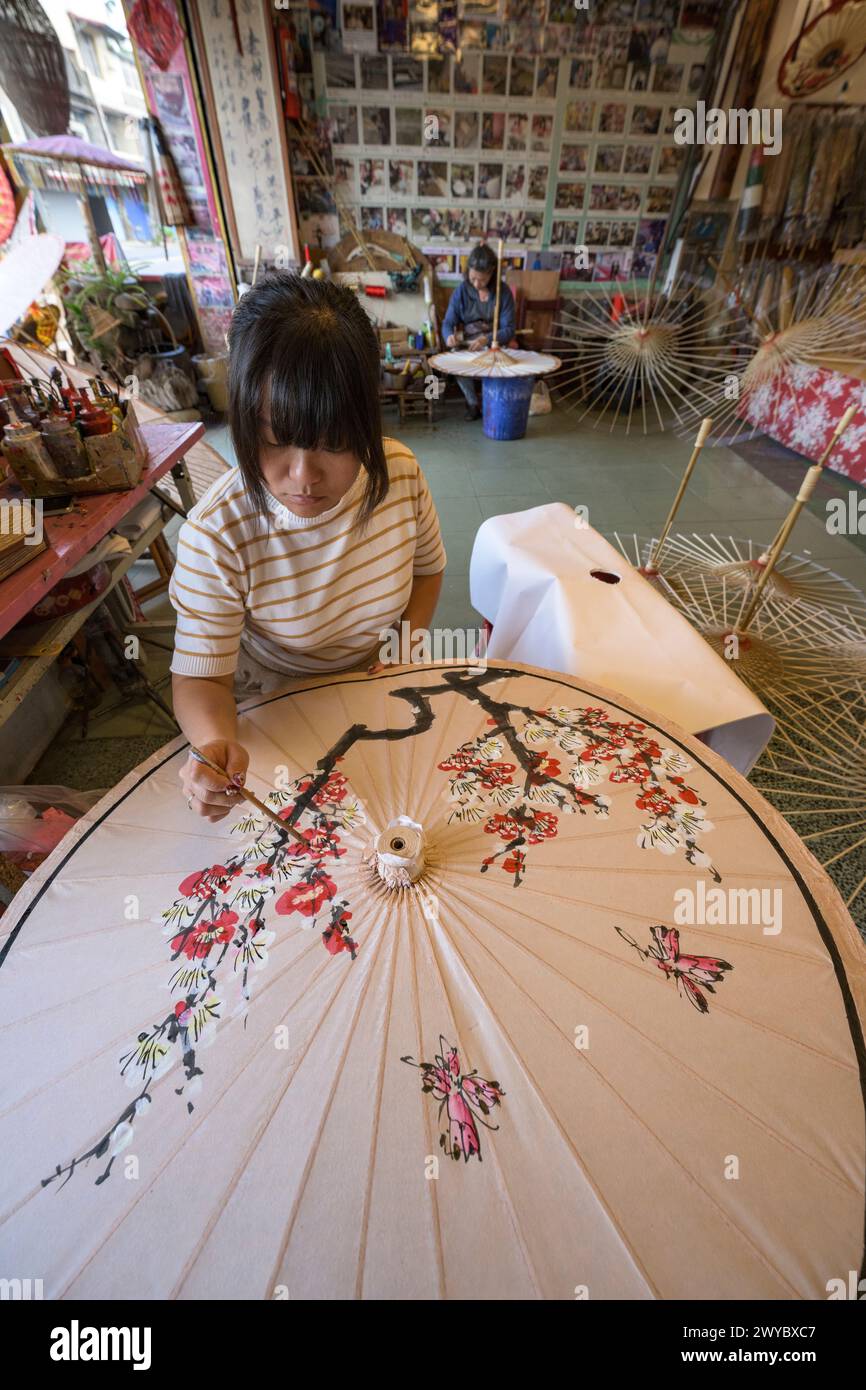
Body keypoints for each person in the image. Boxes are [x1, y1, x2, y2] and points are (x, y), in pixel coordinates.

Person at [169, 271, 446, 821]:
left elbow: (427, 573)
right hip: (276, 697)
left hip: (378, 678)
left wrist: (401, 652)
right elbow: (202, 675)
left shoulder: (400, 474)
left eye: (336, 443)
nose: (303, 476)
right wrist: (215, 742)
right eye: (274, 440)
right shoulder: (216, 532)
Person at [441, 242, 517, 419]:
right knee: (456, 362)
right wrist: (448, 336)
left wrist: (487, 339)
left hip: (495, 343)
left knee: (505, 365)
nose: (476, 283)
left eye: (482, 279)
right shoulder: (461, 291)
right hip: (469, 344)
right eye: (473, 277)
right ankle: (472, 403)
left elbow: (509, 329)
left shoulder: (503, 292)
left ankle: (494, 402)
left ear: (492, 273)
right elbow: (447, 323)